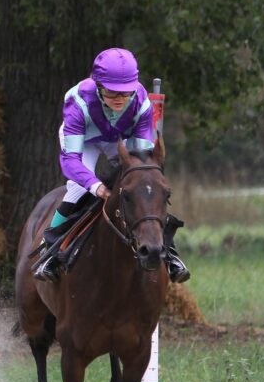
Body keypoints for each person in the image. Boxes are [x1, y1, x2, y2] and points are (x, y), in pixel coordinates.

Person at [33, 48, 190, 283]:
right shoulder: (78, 102)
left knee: (144, 186)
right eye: (112, 92)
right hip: (84, 140)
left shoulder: (142, 103)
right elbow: (70, 160)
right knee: (77, 189)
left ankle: (170, 254)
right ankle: (51, 249)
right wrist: (97, 187)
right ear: (97, 86)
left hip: (118, 138)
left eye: (125, 93)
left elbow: (143, 156)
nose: (119, 99)